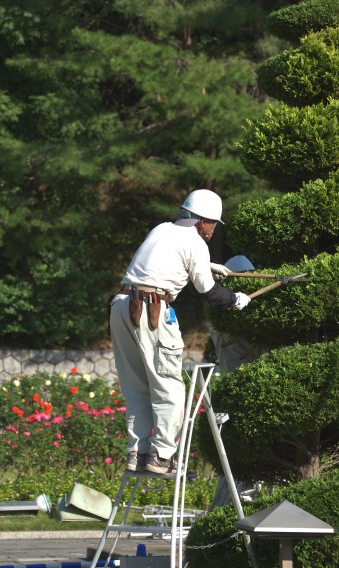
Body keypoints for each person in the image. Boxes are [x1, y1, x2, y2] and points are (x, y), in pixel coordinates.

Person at [110, 189, 252, 475]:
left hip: (121, 307)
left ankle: (137, 453)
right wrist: (236, 299)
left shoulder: (162, 229)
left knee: (137, 388)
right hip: (151, 310)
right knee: (170, 388)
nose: (212, 231)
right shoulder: (196, 243)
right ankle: (161, 457)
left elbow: (165, 261)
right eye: (213, 224)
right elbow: (209, 292)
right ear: (203, 221)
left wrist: (209, 266)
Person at [207, 254, 263, 509]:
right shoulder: (228, 315)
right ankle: (227, 513)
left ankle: (227, 511)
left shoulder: (223, 313)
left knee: (236, 466)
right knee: (239, 467)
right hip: (245, 392)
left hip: (238, 390)